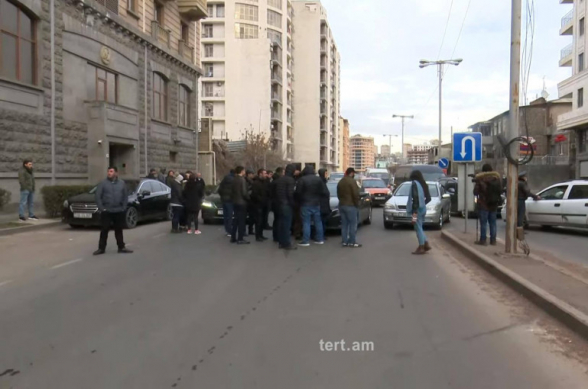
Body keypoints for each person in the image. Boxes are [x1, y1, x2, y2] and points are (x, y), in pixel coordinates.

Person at [93, 167, 133, 255]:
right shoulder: (103, 183)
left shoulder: (122, 183)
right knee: (104, 230)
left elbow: (125, 196)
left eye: (111, 171)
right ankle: (101, 248)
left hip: (118, 210)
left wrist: (123, 207)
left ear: (116, 173)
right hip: (107, 211)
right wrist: (102, 208)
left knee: (119, 230)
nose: (109, 173)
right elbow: (98, 196)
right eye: (108, 171)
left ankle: (121, 247)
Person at [296, 166, 327, 246]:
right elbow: (323, 191)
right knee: (318, 222)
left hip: (305, 203)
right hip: (316, 203)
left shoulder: (302, 179)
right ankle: (320, 239)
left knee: (306, 222)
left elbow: (298, 192)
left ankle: (306, 241)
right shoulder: (318, 179)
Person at [473, 164, 502, 246]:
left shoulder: (481, 179)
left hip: (483, 204)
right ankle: (493, 240)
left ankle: (483, 240)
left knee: (483, 223)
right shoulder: (497, 179)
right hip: (493, 204)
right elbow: (500, 190)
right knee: (493, 223)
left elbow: (475, 192)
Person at [406, 170, 432, 255]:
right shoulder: (423, 184)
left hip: (416, 210)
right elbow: (428, 198)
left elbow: (415, 199)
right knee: (419, 227)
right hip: (422, 209)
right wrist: (422, 205)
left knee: (418, 228)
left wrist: (415, 212)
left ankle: (421, 247)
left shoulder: (415, 184)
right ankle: (426, 244)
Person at [337, 168, 362, 248]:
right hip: (351, 205)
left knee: (344, 224)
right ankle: (352, 241)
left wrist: (342, 201)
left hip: (342, 205)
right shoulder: (352, 181)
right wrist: (356, 204)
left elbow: (338, 194)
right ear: (351, 173)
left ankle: (344, 241)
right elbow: (355, 194)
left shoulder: (341, 181)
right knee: (353, 224)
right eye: (354, 173)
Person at [275, 164, 297, 250]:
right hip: (286, 204)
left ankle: (281, 242)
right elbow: (290, 194)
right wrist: (293, 204)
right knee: (287, 225)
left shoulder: (280, 179)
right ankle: (287, 244)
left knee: (281, 224)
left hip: (280, 204)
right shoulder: (290, 180)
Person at [231, 166, 250, 244]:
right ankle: (240, 238)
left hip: (235, 201)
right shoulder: (242, 180)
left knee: (235, 220)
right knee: (241, 221)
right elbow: (244, 192)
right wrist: (248, 198)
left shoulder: (234, 179)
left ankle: (233, 237)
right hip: (242, 202)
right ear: (242, 171)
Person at [251, 169, 270, 242]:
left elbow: (268, 191)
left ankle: (261, 234)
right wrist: (261, 200)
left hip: (265, 204)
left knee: (262, 221)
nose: (266, 175)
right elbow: (254, 194)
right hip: (258, 205)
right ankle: (258, 236)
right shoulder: (256, 183)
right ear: (260, 174)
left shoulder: (265, 182)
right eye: (264, 173)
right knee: (258, 221)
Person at [218, 169, 235, 237]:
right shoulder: (234, 180)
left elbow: (220, 189)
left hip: (224, 200)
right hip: (230, 200)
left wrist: (222, 196)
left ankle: (227, 230)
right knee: (230, 216)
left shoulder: (224, 179)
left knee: (226, 216)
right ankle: (230, 230)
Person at [270, 167, 284, 243]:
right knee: (279, 220)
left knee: (276, 220)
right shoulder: (279, 182)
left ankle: (275, 236)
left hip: (274, 202)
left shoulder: (273, 181)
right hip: (278, 203)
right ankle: (278, 236)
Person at [318, 169, 331, 237]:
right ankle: (320, 235)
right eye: (326, 173)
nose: (327, 175)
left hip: (324, 204)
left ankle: (321, 234)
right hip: (322, 205)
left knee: (323, 220)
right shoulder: (321, 182)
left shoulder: (323, 182)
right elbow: (323, 193)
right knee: (321, 221)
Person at [246, 170, 256, 236]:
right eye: (251, 174)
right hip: (248, 200)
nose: (252, 175)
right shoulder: (246, 181)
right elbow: (246, 190)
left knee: (252, 216)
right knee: (250, 216)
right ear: (248, 174)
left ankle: (250, 229)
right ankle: (249, 230)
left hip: (251, 200)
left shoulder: (252, 181)